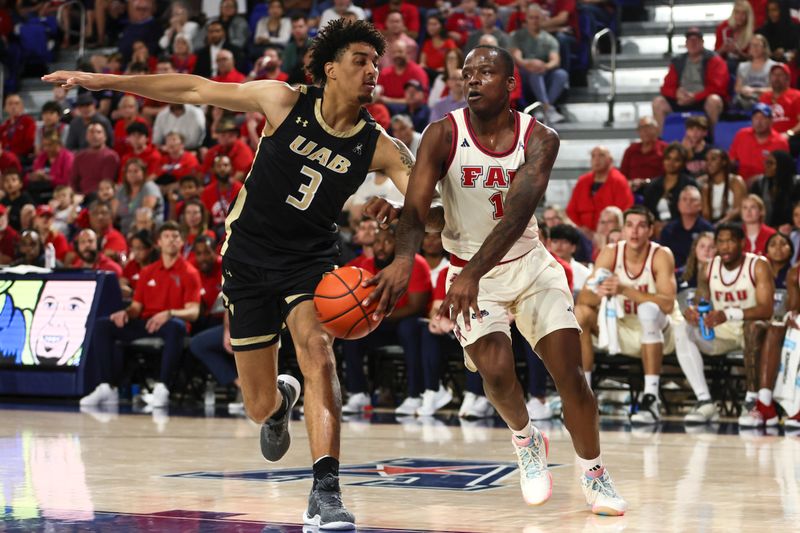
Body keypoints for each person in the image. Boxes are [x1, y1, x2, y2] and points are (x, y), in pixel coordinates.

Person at [44, 19, 423, 530]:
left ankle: (325, 491)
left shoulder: (380, 145)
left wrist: (402, 212)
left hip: (310, 261)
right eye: (361, 60)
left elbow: (430, 208)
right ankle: (280, 402)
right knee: (258, 403)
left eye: (376, 63)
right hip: (246, 258)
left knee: (319, 351)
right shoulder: (282, 101)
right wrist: (104, 81)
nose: (373, 71)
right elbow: (191, 87)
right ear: (331, 69)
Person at [363, 44, 627, 515]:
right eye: (467, 74)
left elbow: (516, 214)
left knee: (570, 375)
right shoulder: (441, 135)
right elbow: (426, 213)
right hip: (471, 273)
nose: (474, 80)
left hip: (528, 265)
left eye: (486, 72)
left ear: (511, 84)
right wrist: (403, 242)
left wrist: (469, 272)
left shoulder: (541, 138)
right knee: (498, 373)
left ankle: (594, 473)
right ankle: (527, 440)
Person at [575, 206, 681, 424]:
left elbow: (668, 304)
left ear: (651, 230)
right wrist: (599, 293)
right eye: (630, 226)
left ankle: (650, 397)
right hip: (619, 328)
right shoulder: (611, 253)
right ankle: (582, 394)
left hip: (658, 332)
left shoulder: (661, 255)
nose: (635, 231)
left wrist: (625, 290)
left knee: (648, 310)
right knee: (581, 313)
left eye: (641, 226)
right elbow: (584, 299)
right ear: (622, 230)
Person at [79, 221, 201, 408]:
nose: (171, 241)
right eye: (166, 236)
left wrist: (169, 313)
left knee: (176, 327)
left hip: (171, 325)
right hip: (147, 323)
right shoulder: (147, 272)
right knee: (103, 325)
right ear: (159, 242)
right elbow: (136, 307)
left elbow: (193, 312)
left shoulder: (190, 273)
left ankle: (162, 388)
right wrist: (125, 313)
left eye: (175, 237)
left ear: (182, 242)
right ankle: (107, 387)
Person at [673, 223, 773, 424]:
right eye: (721, 242)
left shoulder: (758, 265)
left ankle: (752, 402)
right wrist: (692, 312)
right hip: (722, 332)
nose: (725, 247)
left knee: (752, 328)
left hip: (755, 330)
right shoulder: (709, 268)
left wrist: (729, 314)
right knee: (683, 329)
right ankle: (705, 400)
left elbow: (766, 309)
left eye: (730, 241)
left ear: (742, 243)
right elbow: (702, 301)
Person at [651, 28, 728, 134]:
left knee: (714, 101)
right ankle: (660, 140)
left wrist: (695, 97)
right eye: (690, 41)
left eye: (696, 41)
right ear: (686, 44)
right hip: (681, 99)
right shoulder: (678, 61)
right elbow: (665, 87)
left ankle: (712, 137)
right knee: (658, 102)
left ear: (702, 42)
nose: (693, 44)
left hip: (703, 99)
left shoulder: (714, 60)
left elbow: (718, 87)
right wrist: (676, 94)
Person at [510, 4, 568, 124]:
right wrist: (530, 63)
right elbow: (517, 57)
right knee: (534, 72)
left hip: (542, 73)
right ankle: (548, 109)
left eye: (537, 18)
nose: (534, 21)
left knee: (561, 74)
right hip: (524, 74)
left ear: (542, 19)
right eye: (531, 17)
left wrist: (544, 66)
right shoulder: (517, 36)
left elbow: (555, 61)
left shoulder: (549, 39)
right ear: (526, 19)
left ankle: (543, 108)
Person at [566, 146, 633, 237]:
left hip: (611, 234)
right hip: (583, 234)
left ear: (610, 160)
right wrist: (582, 228)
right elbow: (571, 210)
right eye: (593, 156)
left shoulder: (619, 181)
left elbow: (625, 210)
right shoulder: (582, 181)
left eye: (601, 155)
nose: (596, 159)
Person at [728, 102, 789, 182]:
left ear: (771, 121)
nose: (759, 122)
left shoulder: (780, 142)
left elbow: (784, 171)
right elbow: (731, 160)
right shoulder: (741, 135)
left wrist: (760, 180)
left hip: (767, 183)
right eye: (756, 118)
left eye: (763, 118)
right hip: (741, 182)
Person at [642, 142, 698, 227]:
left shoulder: (689, 184)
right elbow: (647, 211)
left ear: (683, 163)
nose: (671, 163)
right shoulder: (653, 185)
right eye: (668, 158)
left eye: (676, 160)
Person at [658, 186, 714, 268]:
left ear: (700, 205)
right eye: (684, 199)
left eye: (693, 200)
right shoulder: (668, 230)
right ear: (678, 205)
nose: (688, 202)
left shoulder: (708, 229)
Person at [699, 148, 746, 224]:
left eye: (713, 159)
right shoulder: (705, 186)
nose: (708, 163)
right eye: (707, 160)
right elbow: (706, 215)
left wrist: (722, 223)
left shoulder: (735, 181)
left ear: (723, 162)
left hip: (733, 223)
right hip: (713, 224)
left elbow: (739, 208)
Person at [619, 116, 667, 188]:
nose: (644, 131)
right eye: (641, 128)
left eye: (647, 127)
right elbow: (622, 175)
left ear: (656, 129)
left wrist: (647, 182)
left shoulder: (665, 148)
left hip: (656, 187)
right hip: (632, 189)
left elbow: (669, 175)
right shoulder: (630, 150)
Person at [734, 34, 776, 109]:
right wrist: (744, 90)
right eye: (752, 45)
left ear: (764, 48)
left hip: (766, 100)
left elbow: (774, 89)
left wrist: (754, 90)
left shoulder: (773, 66)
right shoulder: (742, 66)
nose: (754, 48)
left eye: (757, 45)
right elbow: (737, 88)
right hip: (746, 99)